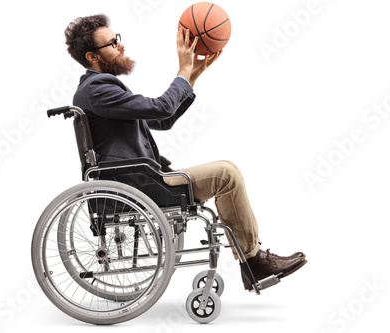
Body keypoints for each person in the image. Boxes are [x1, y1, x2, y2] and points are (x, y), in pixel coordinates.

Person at [64, 14, 306, 291]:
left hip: (139, 179)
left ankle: (253, 259)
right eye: (112, 43)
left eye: (117, 39)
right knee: (225, 174)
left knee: (228, 167)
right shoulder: (97, 89)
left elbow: (160, 121)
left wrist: (193, 73)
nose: (120, 45)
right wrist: (182, 70)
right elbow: (161, 108)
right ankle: (253, 261)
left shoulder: (100, 89)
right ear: (92, 56)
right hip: (136, 184)